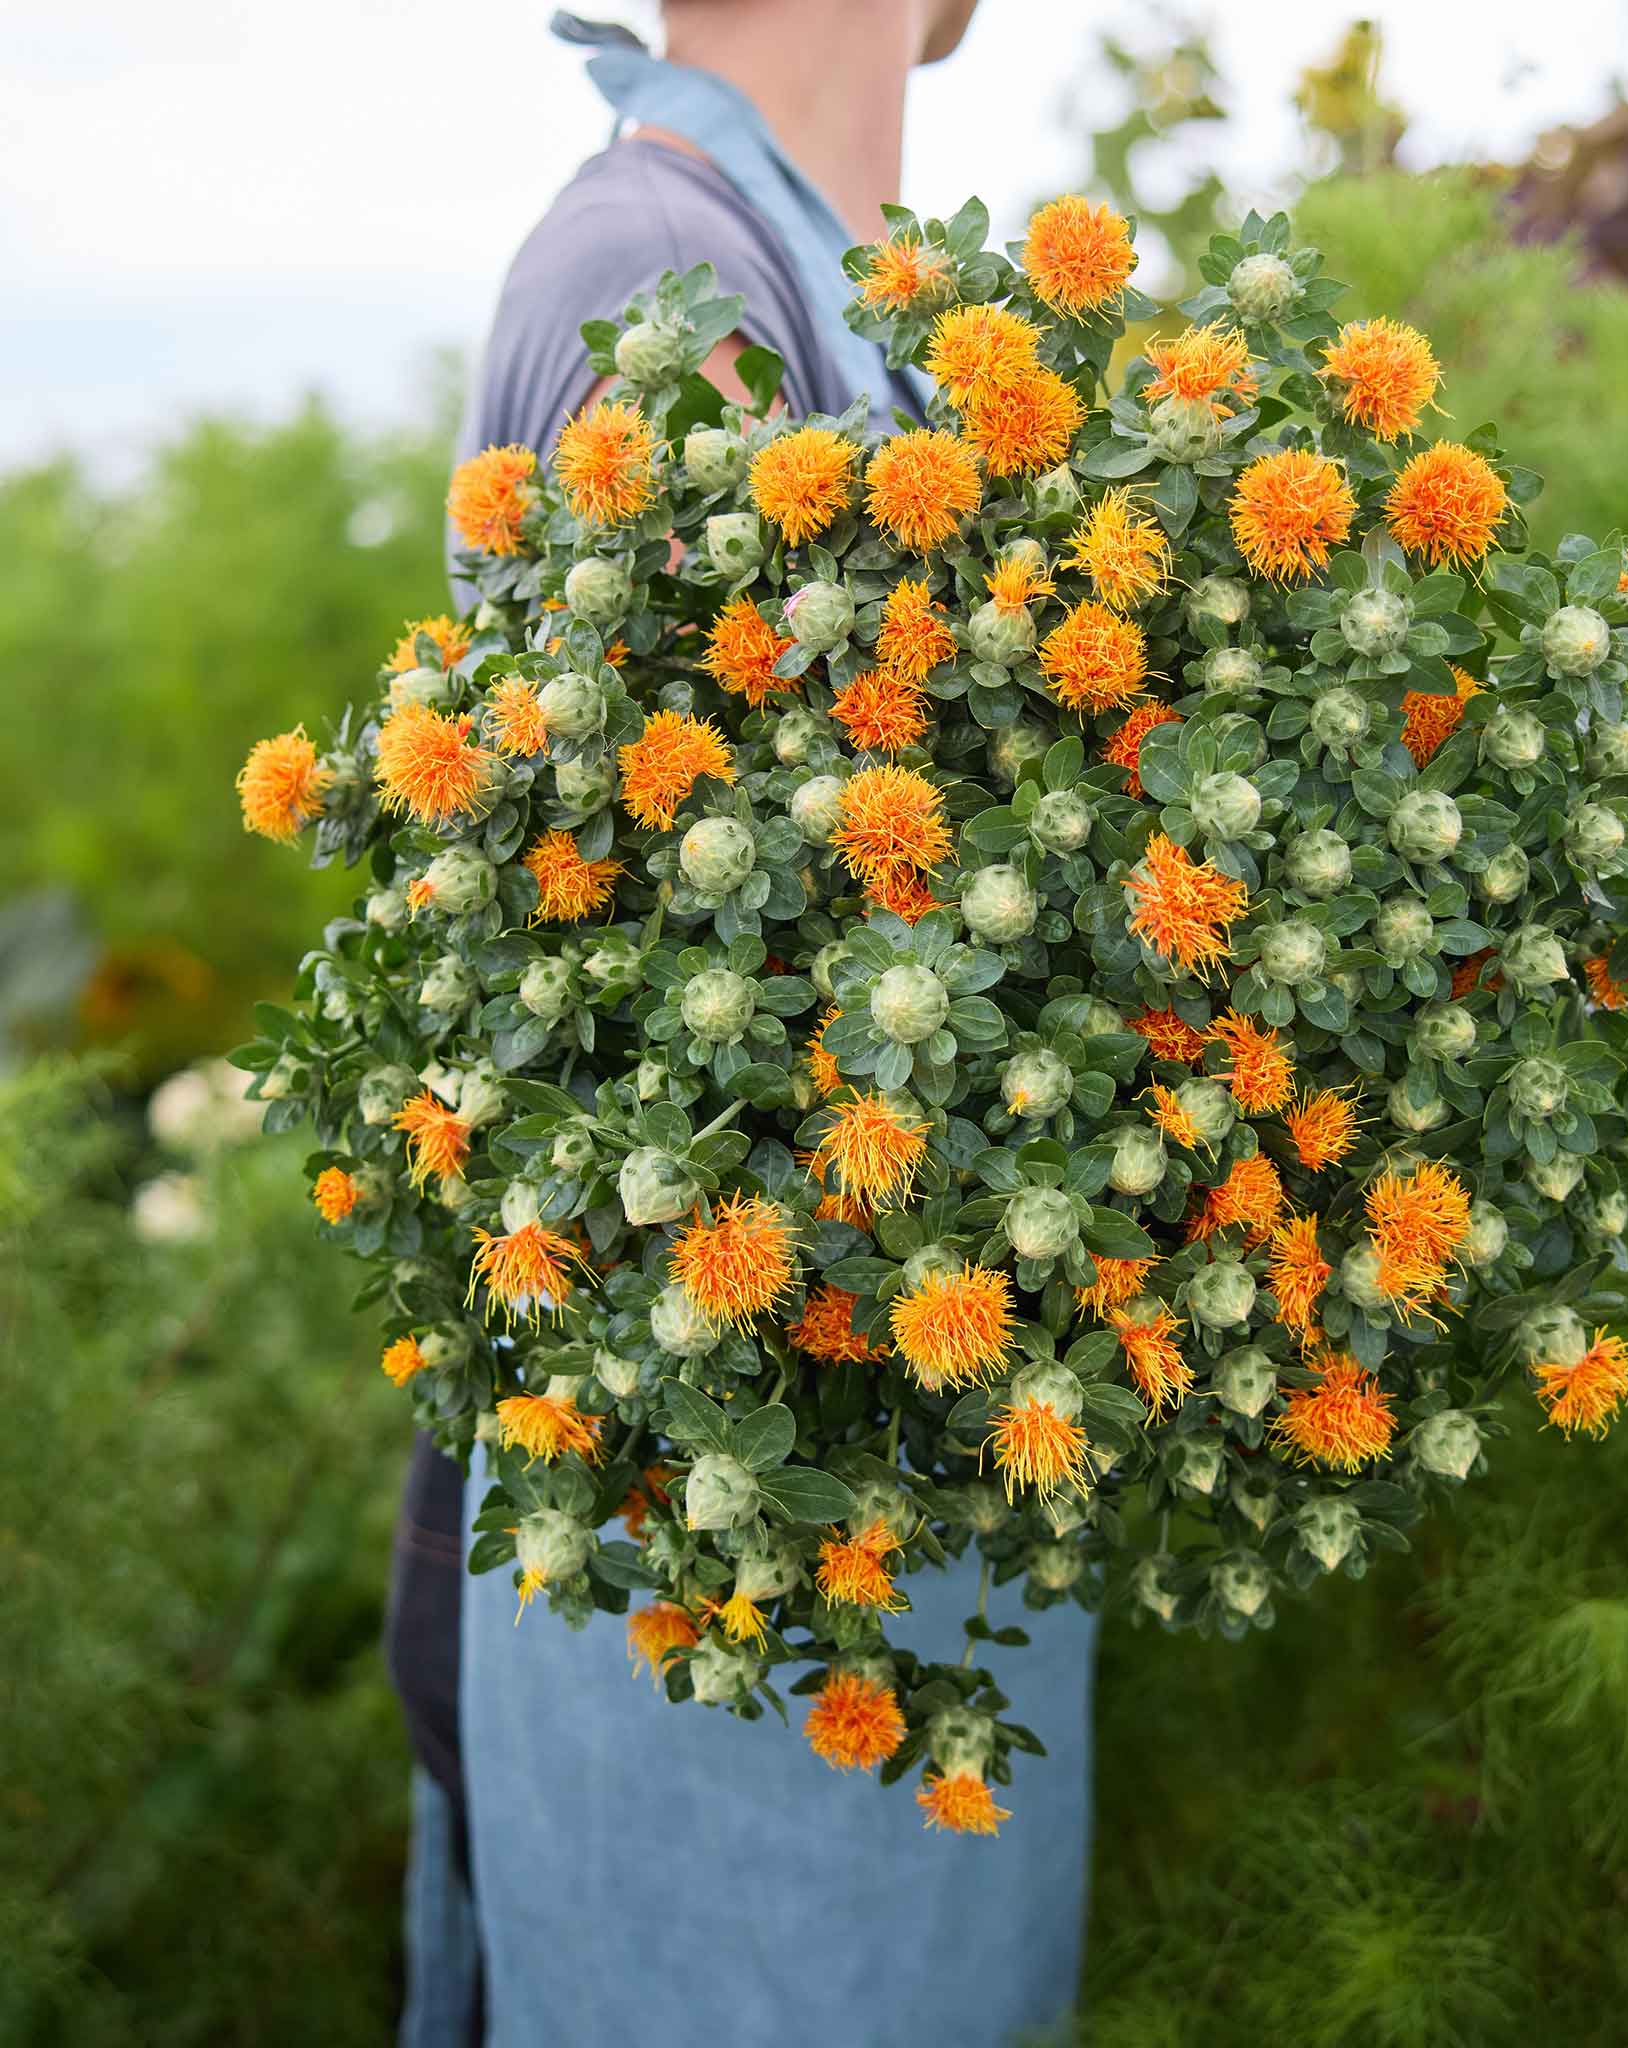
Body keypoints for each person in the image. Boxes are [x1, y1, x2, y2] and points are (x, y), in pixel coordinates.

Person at [388, 9, 1099, 2046]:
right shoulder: (663, 281)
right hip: (736, 1537)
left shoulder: (838, 280)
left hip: (887, 1503)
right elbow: (736, 1008)